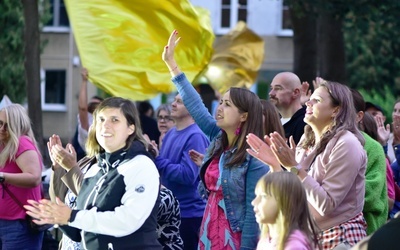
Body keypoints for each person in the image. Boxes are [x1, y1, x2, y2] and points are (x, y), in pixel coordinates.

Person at [163, 30, 270, 249]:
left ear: (244, 115)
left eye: (227, 104)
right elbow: (195, 104)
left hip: (235, 236)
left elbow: (253, 213)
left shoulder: (254, 155)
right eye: (221, 102)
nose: (220, 108)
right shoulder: (218, 139)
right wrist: (172, 63)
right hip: (209, 229)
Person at [25, 97, 163, 249]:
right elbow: (80, 231)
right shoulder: (95, 169)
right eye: (101, 119)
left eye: (115, 120)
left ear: (131, 128)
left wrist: (71, 216)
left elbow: (127, 220)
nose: (105, 125)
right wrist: (58, 216)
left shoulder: (141, 165)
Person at [247, 81, 367, 248]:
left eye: (316, 100)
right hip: (308, 234)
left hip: (339, 236)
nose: (307, 103)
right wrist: (275, 166)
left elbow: (327, 204)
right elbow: (293, 194)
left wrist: (293, 167)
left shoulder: (347, 144)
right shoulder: (307, 140)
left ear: (336, 110)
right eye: (309, 99)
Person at [152, 93, 209, 250]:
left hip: (188, 215)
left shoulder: (196, 135)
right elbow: (163, 169)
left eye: (179, 102)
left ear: (192, 109)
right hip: (169, 212)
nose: (173, 104)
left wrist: (158, 159)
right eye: (174, 101)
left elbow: (187, 176)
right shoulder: (171, 132)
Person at [0, 104, 44, 249]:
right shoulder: (5, 144)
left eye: (7, 125)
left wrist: (3, 176)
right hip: (8, 222)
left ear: (17, 126)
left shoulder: (21, 143)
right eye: (0, 123)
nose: (2, 129)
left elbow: (34, 178)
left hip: (19, 224)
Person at [252, 172, 320, 250]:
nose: (254, 202)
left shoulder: (294, 246)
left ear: (286, 202)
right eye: (256, 196)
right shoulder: (266, 239)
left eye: (264, 196)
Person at [352, 90, 388, 234]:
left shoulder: (373, 148)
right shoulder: (315, 142)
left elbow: (370, 196)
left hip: (363, 235)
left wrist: (331, 191)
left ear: (359, 116)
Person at [269, 72, 306, 144]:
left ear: (295, 92)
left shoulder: (304, 123)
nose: (271, 93)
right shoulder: (273, 122)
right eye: (271, 88)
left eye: (278, 88)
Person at [76, 67, 103, 151]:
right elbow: (82, 108)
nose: (94, 107)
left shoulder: (106, 121)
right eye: (91, 104)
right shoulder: (88, 123)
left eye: (96, 105)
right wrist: (84, 81)